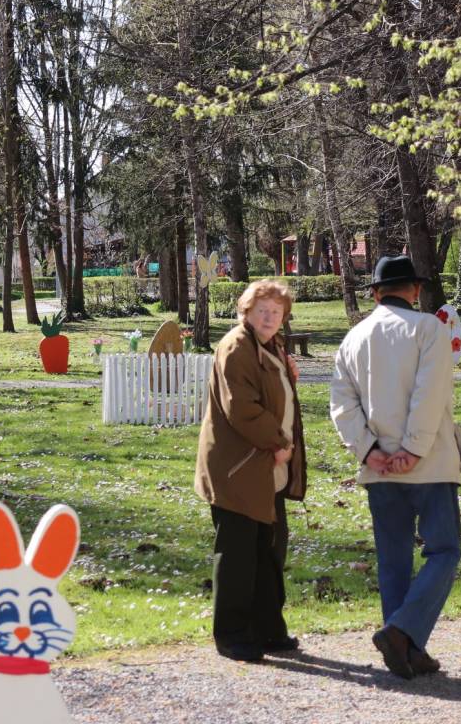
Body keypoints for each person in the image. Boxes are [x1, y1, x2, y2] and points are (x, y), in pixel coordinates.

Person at [330, 255, 461, 680]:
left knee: (393, 560)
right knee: (444, 550)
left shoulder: (353, 338)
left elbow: (342, 404)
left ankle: (405, 648)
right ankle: (403, 632)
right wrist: (414, 448)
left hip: (380, 467)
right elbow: (430, 392)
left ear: (375, 294)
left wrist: (369, 451)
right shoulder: (429, 329)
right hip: (429, 463)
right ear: (415, 290)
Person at [194, 279, 306, 662]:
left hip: (267, 469)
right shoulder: (237, 347)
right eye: (263, 311)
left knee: (269, 549)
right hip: (239, 469)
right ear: (246, 311)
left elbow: (273, 394)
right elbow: (241, 407)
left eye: (277, 312)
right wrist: (278, 442)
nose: (270, 317)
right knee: (238, 554)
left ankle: (268, 630)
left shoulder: (272, 346)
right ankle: (232, 636)